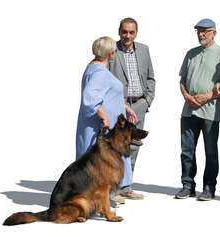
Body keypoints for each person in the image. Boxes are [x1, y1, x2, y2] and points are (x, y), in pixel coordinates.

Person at [175, 19, 220, 201]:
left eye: (205, 31)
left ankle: (209, 187)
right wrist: (186, 96)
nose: (201, 34)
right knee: (187, 150)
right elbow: (182, 80)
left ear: (214, 33)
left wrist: (208, 96)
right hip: (189, 110)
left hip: (210, 111)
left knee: (210, 151)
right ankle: (187, 185)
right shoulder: (191, 53)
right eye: (198, 31)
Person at [75, 36, 137, 206]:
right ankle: (98, 200)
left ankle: (102, 198)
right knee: (100, 163)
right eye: (114, 51)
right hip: (100, 127)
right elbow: (91, 98)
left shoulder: (94, 68)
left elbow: (106, 94)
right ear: (110, 53)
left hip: (100, 125)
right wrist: (104, 117)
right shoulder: (99, 72)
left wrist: (123, 107)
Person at [109, 17, 155, 200]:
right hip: (119, 106)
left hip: (140, 104)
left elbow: (151, 77)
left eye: (131, 32)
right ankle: (113, 190)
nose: (128, 36)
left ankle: (127, 186)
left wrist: (147, 100)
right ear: (119, 31)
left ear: (136, 33)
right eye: (124, 32)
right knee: (115, 147)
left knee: (134, 146)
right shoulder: (111, 50)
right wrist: (120, 104)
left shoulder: (144, 49)